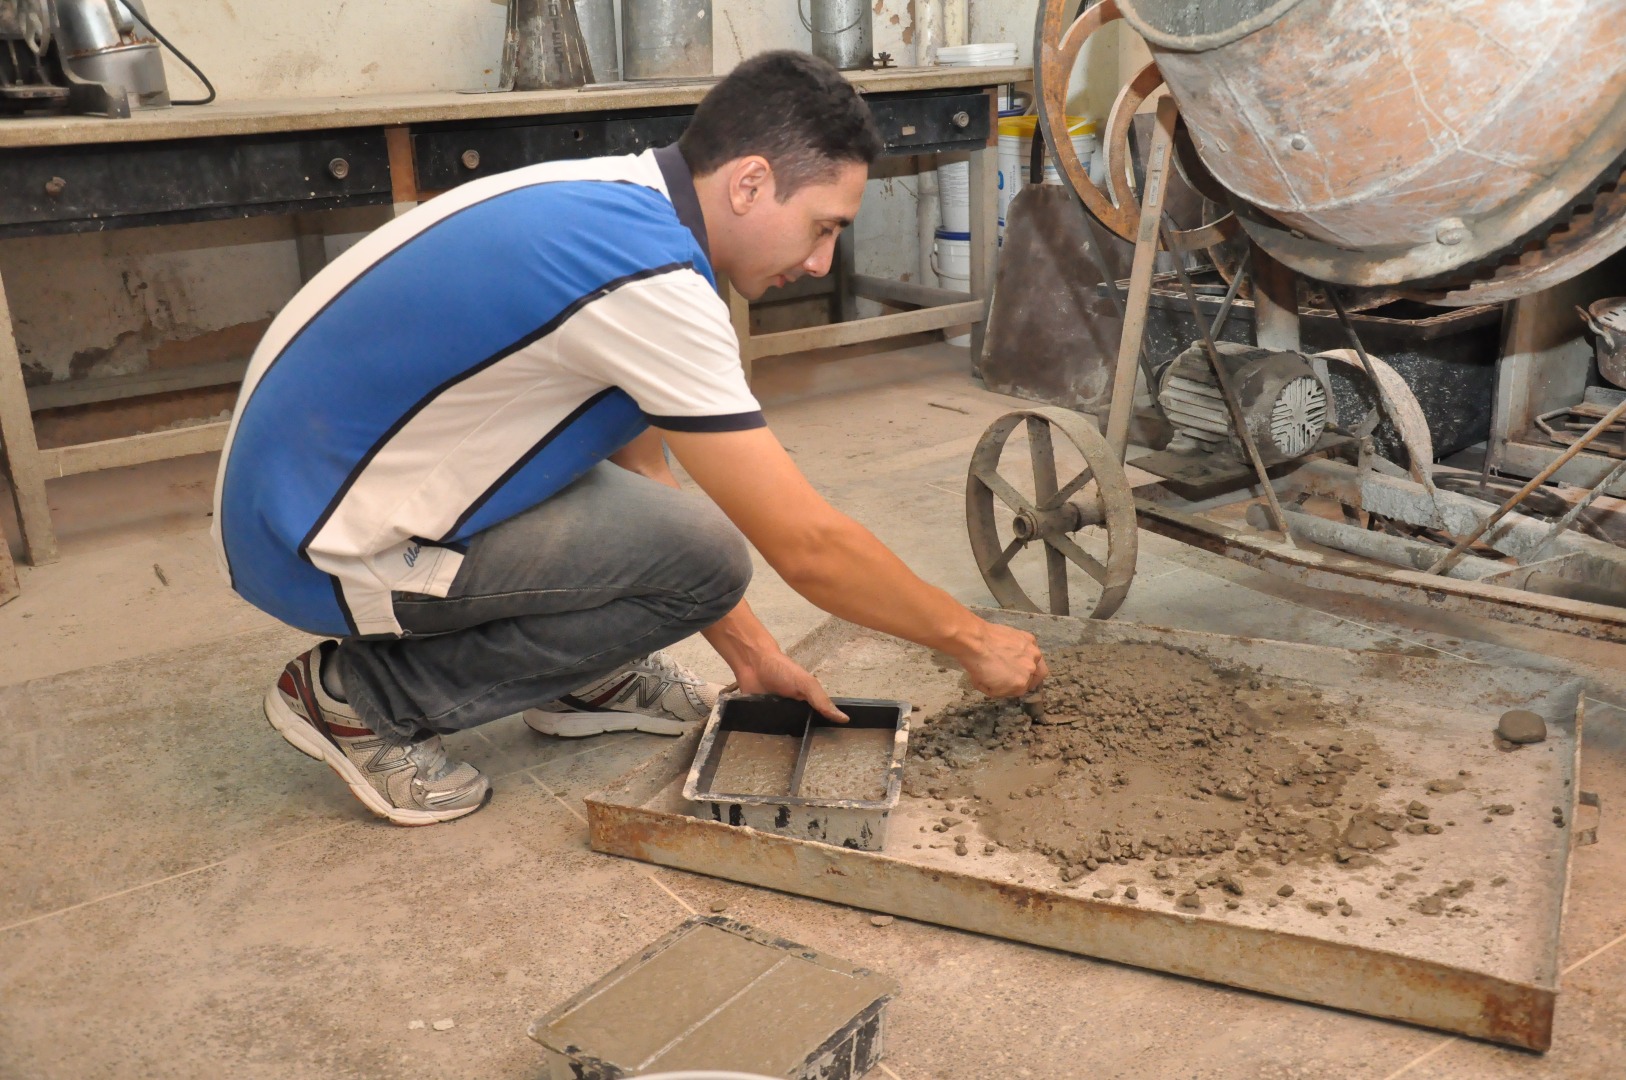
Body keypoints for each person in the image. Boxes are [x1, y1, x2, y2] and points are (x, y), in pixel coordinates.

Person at [212, 50, 1047, 827]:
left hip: (311, 484)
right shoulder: (653, 282)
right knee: (710, 560)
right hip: (311, 539)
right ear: (751, 184)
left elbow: (641, 459)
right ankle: (361, 699)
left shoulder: (627, 202)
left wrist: (751, 657)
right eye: (823, 226)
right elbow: (810, 546)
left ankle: (579, 680)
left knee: (686, 550)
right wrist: (972, 640)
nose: (824, 262)